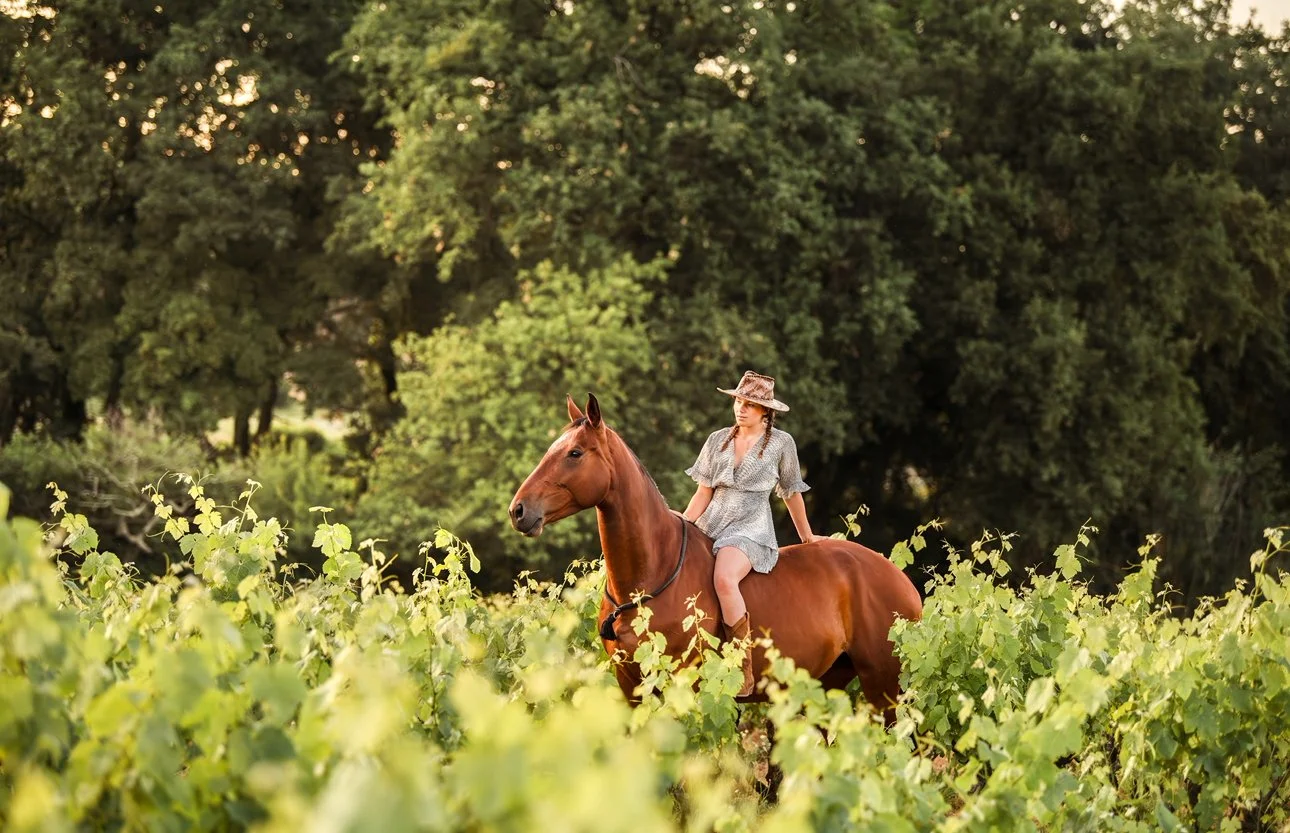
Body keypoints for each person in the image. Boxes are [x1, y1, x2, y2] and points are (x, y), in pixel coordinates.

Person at [681, 370, 824, 696]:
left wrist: (807, 536)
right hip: (711, 522)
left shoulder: (781, 443)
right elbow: (703, 493)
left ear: (765, 411)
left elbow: (791, 492)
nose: (740, 408)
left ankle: (742, 668)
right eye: (738, 401)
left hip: (750, 527)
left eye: (749, 404)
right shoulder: (717, 439)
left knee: (723, 578)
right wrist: (686, 523)